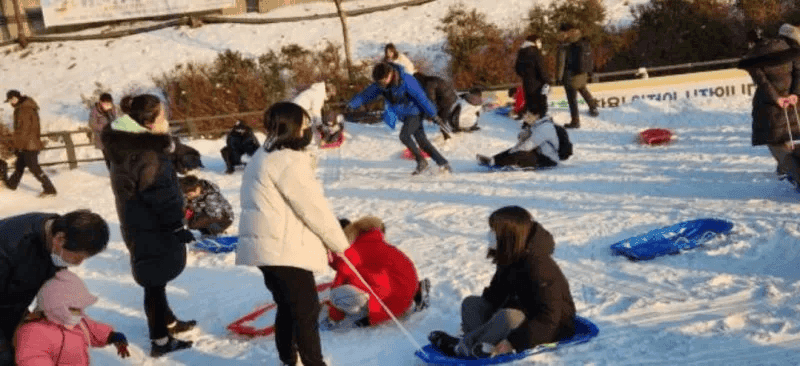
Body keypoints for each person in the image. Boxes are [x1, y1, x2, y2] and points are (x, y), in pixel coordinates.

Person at [236, 101, 350, 366]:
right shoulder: (286, 161)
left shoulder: (265, 155)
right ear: (293, 127)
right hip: (283, 248)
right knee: (306, 312)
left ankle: (289, 359)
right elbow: (313, 209)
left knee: (288, 306)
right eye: (305, 123)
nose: (309, 128)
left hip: (268, 247)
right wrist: (341, 245)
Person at [102, 94, 196, 358]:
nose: (166, 119)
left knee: (156, 279)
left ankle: (168, 322)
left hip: (136, 221)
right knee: (154, 284)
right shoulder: (147, 153)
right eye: (162, 115)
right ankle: (161, 340)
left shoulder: (122, 142)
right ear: (150, 122)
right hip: (151, 225)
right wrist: (177, 226)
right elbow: (160, 193)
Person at [428, 206, 576, 359]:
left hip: (548, 328)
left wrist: (514, 342)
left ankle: (466, 348)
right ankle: (479, 344)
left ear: (509, 236)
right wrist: (485, 313)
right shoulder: (510, 256)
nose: (490, 235)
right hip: (520, 315)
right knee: (471, 304)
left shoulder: (540, 267)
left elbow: (550, 319)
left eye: (494, 232)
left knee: (508, 316)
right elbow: (496, 294)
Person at [0, 209, 110, 366]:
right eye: (78, 257)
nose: (79, 264)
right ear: (59, 239)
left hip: (11, 305)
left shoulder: (60, 232)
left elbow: (50, 283)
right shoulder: (10, 247)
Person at [347, 62, 451, 175]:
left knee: (404, 135)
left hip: (415, 112)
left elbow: (421, 98)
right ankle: (443, 163)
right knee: (422, 141)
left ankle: (421, 161)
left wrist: (433, 115)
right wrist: (351, 104)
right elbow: (366, 95)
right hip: (405, 115)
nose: (380, 84)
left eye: (382, 81)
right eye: (379, 82)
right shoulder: (381, 85)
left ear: (390, 74)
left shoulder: (406, 80)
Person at [14, 269, 130, 365]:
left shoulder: (77, 322)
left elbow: (92, 329)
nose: (79, 313)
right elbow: (32, 358)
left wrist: (112, 336)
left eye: (80, 308)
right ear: (55, 306)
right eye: (74, 309)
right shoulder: (34, 332)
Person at [325, 216, 421, 328]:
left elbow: (338, 284)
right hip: (407, 296)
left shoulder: (353, 251)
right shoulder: (374, 244)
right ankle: (416, 292)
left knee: (337, 295)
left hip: (391, 305)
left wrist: (333, 318)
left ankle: (373, 312)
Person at [738, 23, 800, 179]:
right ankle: (784, 170)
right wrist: (795, 93)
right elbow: (799, 72)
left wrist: (777, 98)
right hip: (794, 102)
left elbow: (763, 82)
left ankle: (794, 174)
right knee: (791, 136)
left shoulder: (753, 56)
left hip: (770, 106)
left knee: (777, 143)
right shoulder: (789, 47)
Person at [3, 90, 57, 197]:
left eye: (12, 100)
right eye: (10, 101)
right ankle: (11, 184)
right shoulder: (23, 108)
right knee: (19, 165)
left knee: (34, 168)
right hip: (27, 143)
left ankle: (49, 189)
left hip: (29, 145)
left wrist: (16, 146)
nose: (11, 103)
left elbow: (23, 131)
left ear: (17, 98)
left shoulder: (24, 110)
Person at [555, 24, 599, 129]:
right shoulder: (580, 39)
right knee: (582, 88)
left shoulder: (565, 45)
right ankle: (593, 107)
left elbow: (560, 63)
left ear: (564, 32)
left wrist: (558, 78)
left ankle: (575, 121)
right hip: (582, 73)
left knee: (572, 98)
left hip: (570, 75)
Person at [476, 115, 560, 169]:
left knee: (520, 153)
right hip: (539, 153)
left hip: (549, 160)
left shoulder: (545, 128)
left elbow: (529, 145)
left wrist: (516, 149)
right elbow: (522, 138)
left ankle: (498, 162)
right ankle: (493, 159)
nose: (527, 118)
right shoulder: (537, 126)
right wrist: (523, 135)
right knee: (513, 150)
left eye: (531, 115)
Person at [515, 35, 551, 121]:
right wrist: (547, 81)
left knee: (530, 104)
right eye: (539, 41)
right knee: (540, 104)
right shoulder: (536, 52)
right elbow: (541, 68)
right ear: (534, 42)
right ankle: (540, 123)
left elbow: (517, 68)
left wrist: (525, 76)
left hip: (527, 82)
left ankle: (528, 123)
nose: (540, 43)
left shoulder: (521, 51)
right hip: (538, 82)